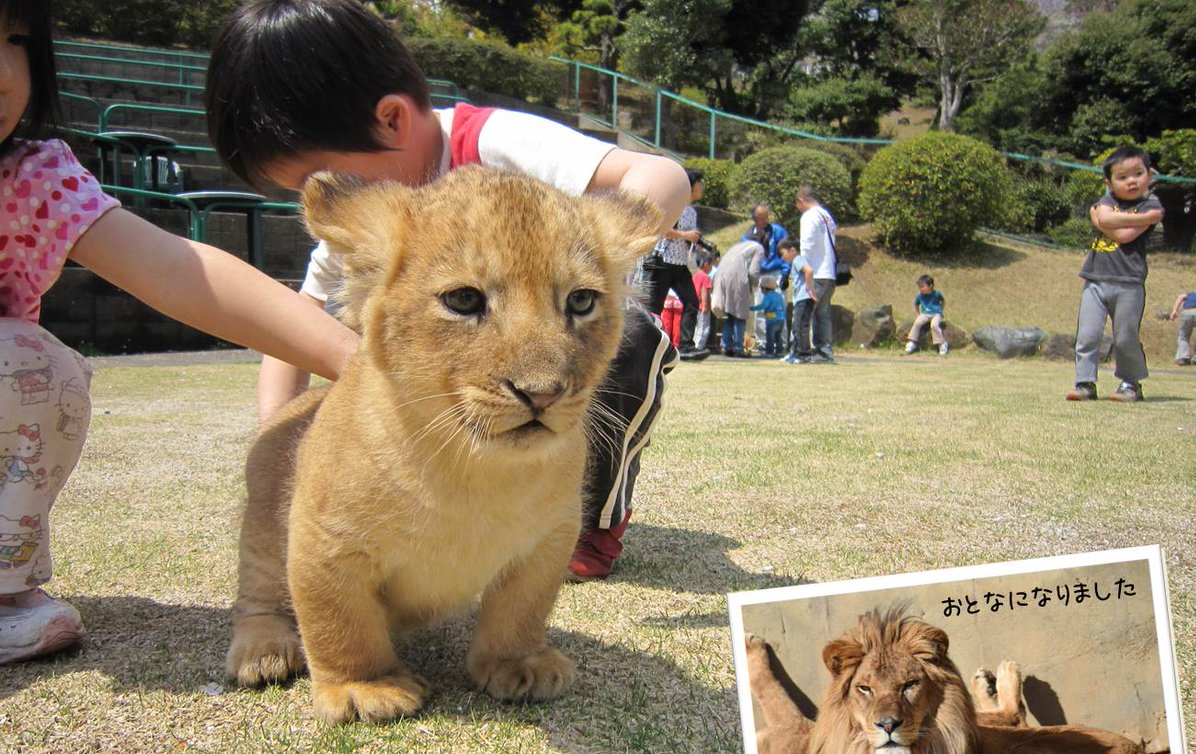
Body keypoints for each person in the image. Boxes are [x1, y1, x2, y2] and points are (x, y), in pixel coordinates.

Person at [205, 0, 693, 582]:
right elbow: (292, 328)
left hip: (556, 364)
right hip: (433, 423)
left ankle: (592, 521)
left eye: (325, 180)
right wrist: (280, 454)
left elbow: (665, 176)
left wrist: (595, 249)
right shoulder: (377, 222)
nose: (331, 199)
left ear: (392, 120)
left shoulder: (500, 141)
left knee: (628, 336)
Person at [0, 0, 359, 664]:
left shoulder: (27, 175)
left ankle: (3, 589)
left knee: (36, 366)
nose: (2, 73)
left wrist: (359, 359)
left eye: (16, 39)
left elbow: (179, 271)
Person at [1066, 145, 1164, 403]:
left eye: (1138, 173)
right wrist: (1136, 218)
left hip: (1129, 282)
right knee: (1087, 334)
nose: (1131, 181)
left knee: (1125, 337)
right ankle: (1085, 383)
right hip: (1095, 279)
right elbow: (1109, 221)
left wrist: (1103, 220)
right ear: (1109, 183)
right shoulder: (1111, 200)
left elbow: (1122, 234)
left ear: (1149, 177)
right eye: (1122, 177)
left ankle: (1131, 385)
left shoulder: (1151, 204)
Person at [642, 168, 709, 361]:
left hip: (680, 263)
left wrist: (696, 242)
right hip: (663, 261)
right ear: (690, 186)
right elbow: (661, 229)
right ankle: (649, 345)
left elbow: (686, 238)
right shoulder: (672, 204)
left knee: (692, 302)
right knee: (655, 306)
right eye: (699, 183)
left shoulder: (692, 212)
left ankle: (686, 346)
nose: (701, 187)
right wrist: (685, 235)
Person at [792, 186, 839, 363]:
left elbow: (807, 246)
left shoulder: (809, 216)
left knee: (804, 314)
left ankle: (801, 351)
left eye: (797, 205)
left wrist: (802, 269)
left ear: (801, 201)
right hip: (829, 272)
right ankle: (825, 351)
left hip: (815, 272)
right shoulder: (826, 216)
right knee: (823, 313)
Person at [742, 204, 788, 352]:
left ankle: (781, 342)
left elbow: (787, 253)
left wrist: (786, 273)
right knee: (761, 308)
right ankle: (763, 341)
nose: (763, 221)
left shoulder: (778, 232)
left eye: (766, 217)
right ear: (754, 219)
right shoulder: (748, 236)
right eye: (760, 218)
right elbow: (744, 256)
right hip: (759, 274)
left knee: (779, 307)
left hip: (776, 271)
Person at [711, 239, 764, 358]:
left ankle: (726, 345)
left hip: (722, 276)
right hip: (737, 278)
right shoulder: (758, 248)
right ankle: (738, 347)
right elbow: (753, 272)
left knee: (730, 316)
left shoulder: (738, 247)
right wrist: (755, 284)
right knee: (740, 316)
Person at [776, 238, 811, 364]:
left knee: (798, 326)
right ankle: (800, 353)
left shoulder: (797, 260)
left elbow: (809, 271)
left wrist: (809, 289)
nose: (782, 258)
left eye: (783, 254)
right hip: (803, 298)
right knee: (801, 326)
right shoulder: (797, 261)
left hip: (803, 298)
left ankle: (799, 354)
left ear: (792, 250)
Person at [904, 274, 950, 356]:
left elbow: (943, 301)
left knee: (934, 325)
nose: (920, 289)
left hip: (936, 314)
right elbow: (916, 304)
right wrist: (918, 314)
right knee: (917, 323)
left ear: (930, 286)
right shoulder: (920, 296)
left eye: (922, 286)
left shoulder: (937, 294)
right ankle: (912, 342)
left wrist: (940, 311)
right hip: (925, 314)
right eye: (919, 287)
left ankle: (942, 343)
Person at [749, 275, 786, 357]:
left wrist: (752, 308)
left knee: (770, 337)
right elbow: (783, 306)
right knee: (778, 336)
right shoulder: (779, 296)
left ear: (764, 288)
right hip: (781, 319)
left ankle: (769, 352)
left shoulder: (767, 296)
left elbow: (763, 305)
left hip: (772, 320)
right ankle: (780, 351)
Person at [691, 252, 715, 352]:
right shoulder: (706, 277)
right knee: (704, 328)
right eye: (711, 265)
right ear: (706, 264)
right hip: (702, 306)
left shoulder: (695, 275)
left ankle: (694, 344)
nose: (711, 268)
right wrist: (705, 305)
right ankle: (698, 347)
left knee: (696, 327)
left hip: (694, 305)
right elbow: (705, 291)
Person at [1169, 290, 1196, 366]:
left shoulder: (1190, 294)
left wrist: (1175, 311)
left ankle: (1183, 357)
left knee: (1183, 336)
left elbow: (1181, 297)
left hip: (1187, 312)